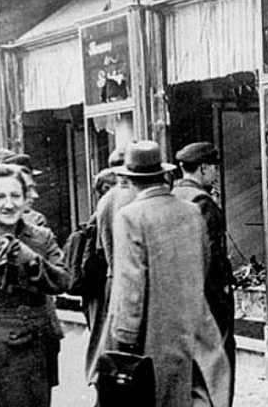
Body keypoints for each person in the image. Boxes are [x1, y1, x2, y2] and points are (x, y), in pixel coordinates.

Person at [106, 140, 230, 407]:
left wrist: (124, 339)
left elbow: (131, 287)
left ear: (132, 180)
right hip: (197, 325)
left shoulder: (129, 216)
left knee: (161, 397)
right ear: (163, 174)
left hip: (155, 332)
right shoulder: (192, 211)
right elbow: (205, 266)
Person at [0, 164, 70, 407]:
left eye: (16, 196)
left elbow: (62, 281)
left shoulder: (42, 237)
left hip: (36, 344)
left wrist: (29, 258)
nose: (9, 204)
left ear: (26, 199)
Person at [174, 142, 236, 405]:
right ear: (202, 168)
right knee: (219, 359)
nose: (215, 173)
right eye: (213, 168)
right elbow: (210, 256)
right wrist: (220, 296)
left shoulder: (172, 196)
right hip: (209, 299)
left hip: (180, 296)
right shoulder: (204, 203)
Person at [85, 147, 135, 385]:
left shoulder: (105, 200)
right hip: (129, 280)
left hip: (111, 277)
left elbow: (99, 248)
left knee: (108, 340)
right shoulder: (132, 197)